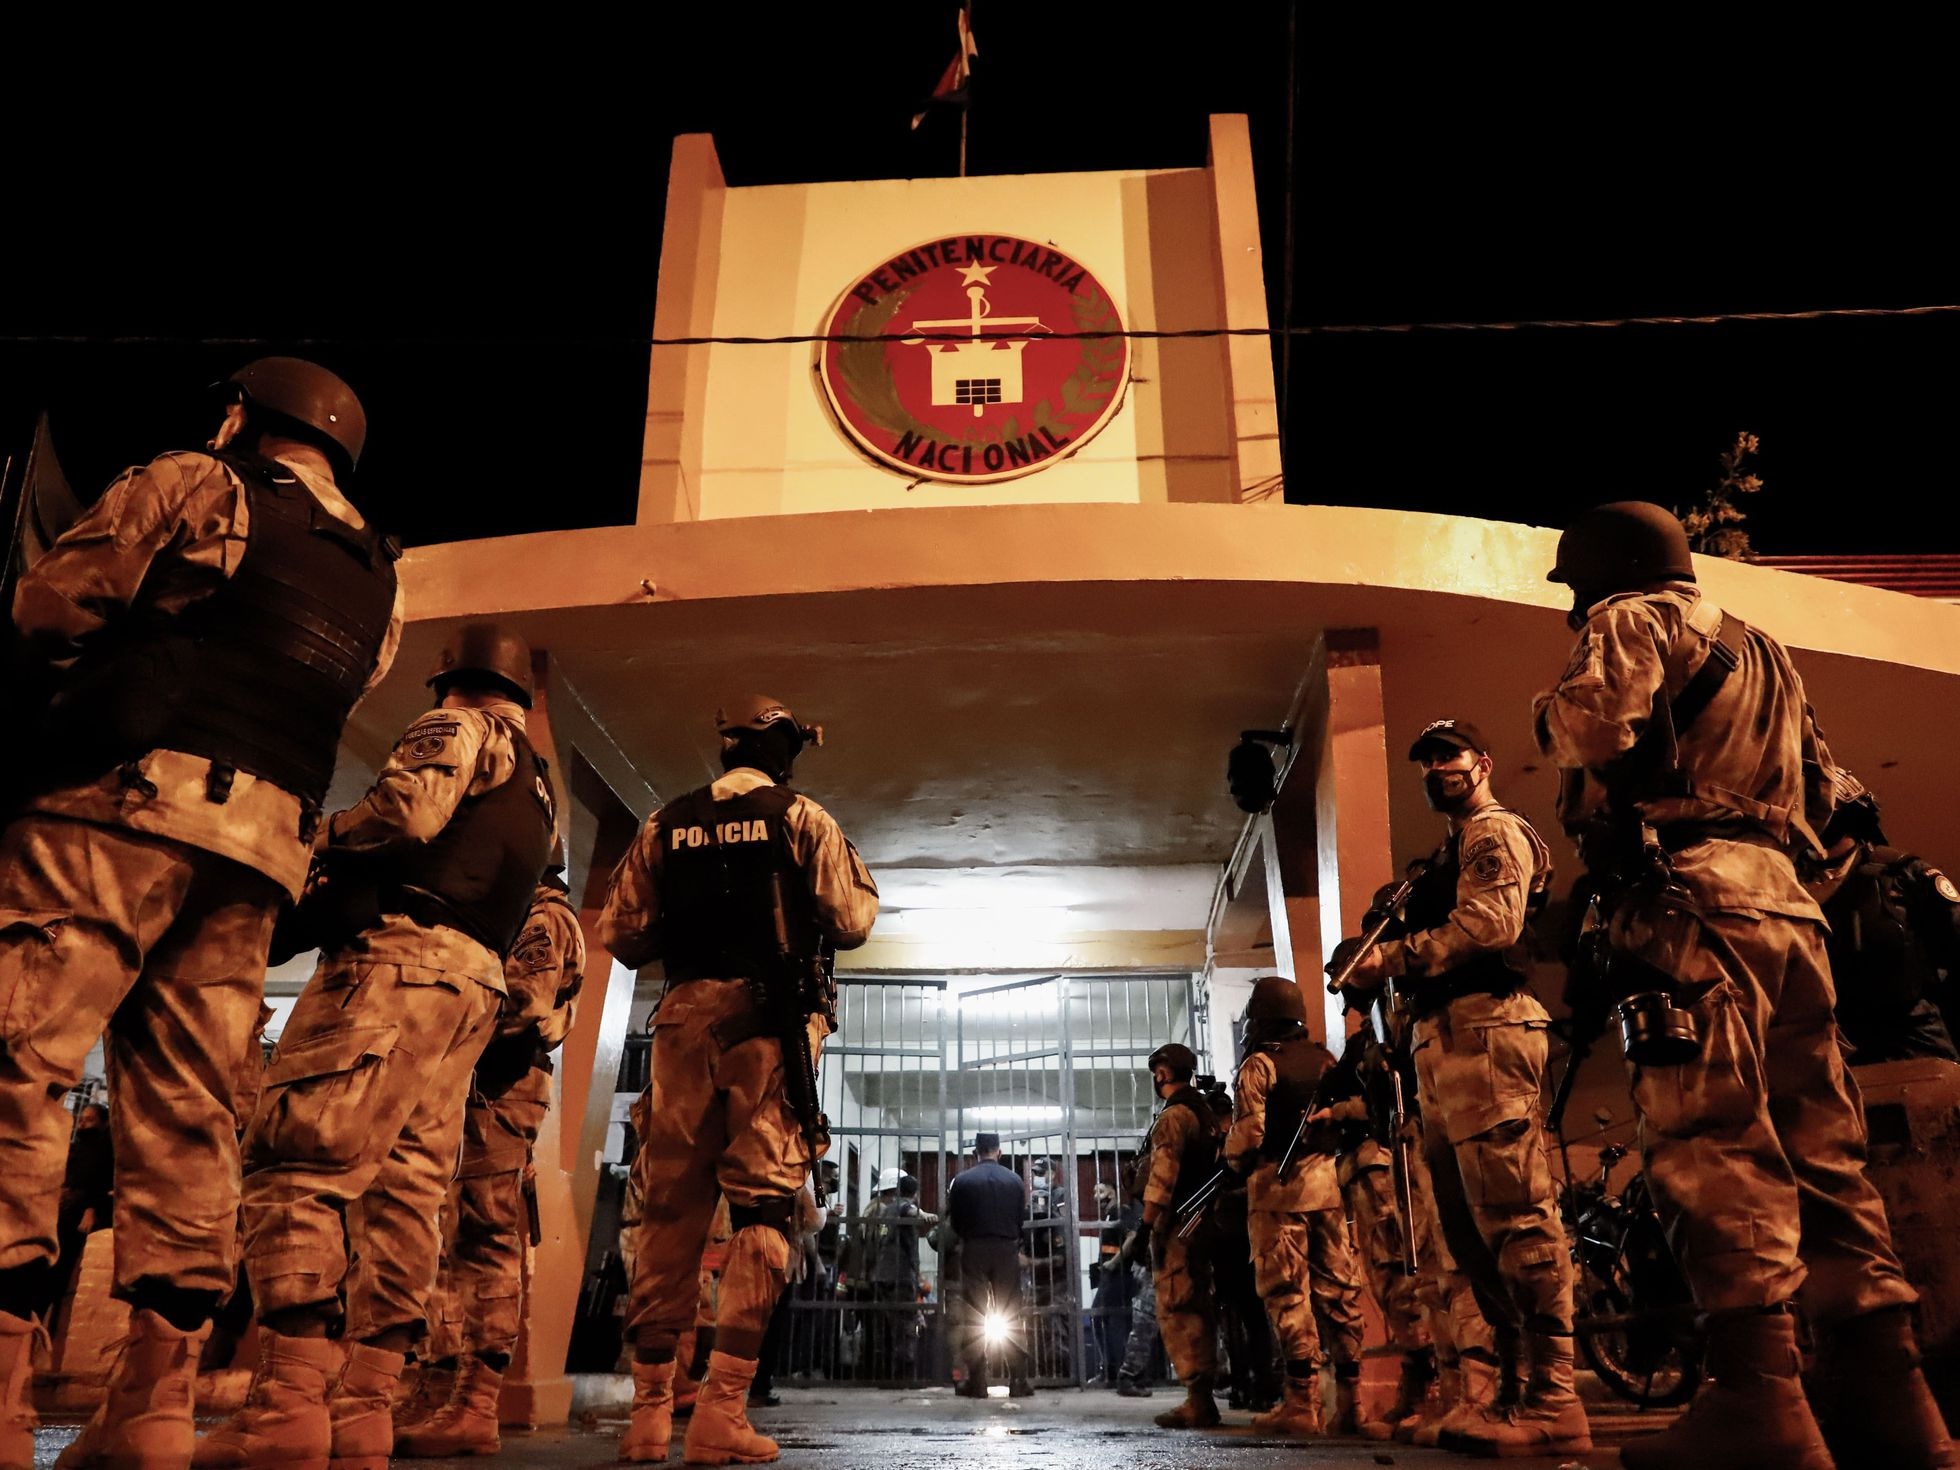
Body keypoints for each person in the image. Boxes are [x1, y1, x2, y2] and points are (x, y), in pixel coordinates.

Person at [0, 357, 400, 1470]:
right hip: (260, 850)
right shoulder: (379, 575)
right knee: (188, 1112)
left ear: (244, 414)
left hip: (116, 808)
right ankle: (154, 1405)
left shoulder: (197, 480)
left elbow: (49, 605)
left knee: (20, 1065)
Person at [1533, 501, 1953, 1470]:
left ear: (1606, 569)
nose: (1573, 606)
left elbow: (1590, 729)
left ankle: (1758, 1399)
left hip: (1691, 903)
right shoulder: (1765, 651)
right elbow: (1829, 795)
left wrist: (1545, 712)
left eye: (1575, 584)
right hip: (1787, 909)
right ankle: (1890, 1396)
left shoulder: (1631, 619)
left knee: (1714, 1141)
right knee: (1823, 1150)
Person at [196, 622, 556, 1470]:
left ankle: (286, 1407)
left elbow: (407, 812)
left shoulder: (460, 726)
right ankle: (364, 1410)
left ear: (449, 680)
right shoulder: (543, 785)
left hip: (397, 962)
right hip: (471, 985)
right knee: (407, 1194)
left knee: (297, 1165)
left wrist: (316, 839)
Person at [602, 695, 877, 1465]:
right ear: (784, 752)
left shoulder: (666, 822)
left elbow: (621, 931)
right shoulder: (802, 817)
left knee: (668, 1214)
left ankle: (648, 1419)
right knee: (762, 1211)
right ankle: (721, 1413)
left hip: (682, 1019)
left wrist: (693, 932)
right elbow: (852, 920)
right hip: (767, 1027)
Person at [1328, 717, 1588, 1458]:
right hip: (1444, 1040)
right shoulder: (1447, 852)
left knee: (1518, 1218)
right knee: (1470, 1236)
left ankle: (1555, 1396)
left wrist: (1393, 958)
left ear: (1483, 762)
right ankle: (1509, 1393)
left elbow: (1492, 925)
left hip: (1488, 1031)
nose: (1436, 769)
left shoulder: (1492, 832)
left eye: (1449, 755)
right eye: (1426, 760)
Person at [394, 866, 587, 1456]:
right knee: (442, 1237)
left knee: (484, 1234)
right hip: (465, 1081)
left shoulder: (542, 916)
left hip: (501, 1085)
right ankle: (435, 1384)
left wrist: (438, 1022)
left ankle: (475, 1403)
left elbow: (524, 1002)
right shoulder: (502, 910)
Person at [1221, 978, 1365, 1437]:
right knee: (1339, 1291)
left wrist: (1231, 1161)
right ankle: (1352, 1403)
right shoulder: (1325, 1059)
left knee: (1288, 1293)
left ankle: (1302, 1402)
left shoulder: (1260, 1064)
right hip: (1328, 1186)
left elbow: (1248, 1137)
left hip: (1278, 1191)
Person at [1315, 1023, 1435, 1437]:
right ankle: (1418, 1380)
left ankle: (1428, 1387)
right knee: (1385, 1282)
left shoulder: (1386, 1041)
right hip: (1365, 1166)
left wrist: (1338, 1112)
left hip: (1376, 1167)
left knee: (1399, 1278)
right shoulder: (1360, 1049)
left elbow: (1378, 1102)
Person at [1800, 771, 1959, 1066]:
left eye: (1818, 806)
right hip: (1830, 1053)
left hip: (1914, 1047)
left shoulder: (1903, 876)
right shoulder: (1788, 888)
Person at [1132, 1042, 1224, 1431]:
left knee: (1179, 1308)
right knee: (1199, 1306)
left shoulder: (1174, 1117)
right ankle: (1202, 1396)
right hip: (1202, 1223)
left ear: (1163, 1073)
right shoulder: (1205, 1113)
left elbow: (1162, 1177)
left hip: (1177, 1226)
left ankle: (1198, 1400)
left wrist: (1144, 1227)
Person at [945, 1133, 1032, 1398]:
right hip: (1006, 1249)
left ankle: (977, 1382)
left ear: (975, 1153)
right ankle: (1018, 1381)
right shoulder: (1015, 1180)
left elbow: (956, 1221)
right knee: (1011, 1313)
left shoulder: (962, 1181)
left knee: (974, 1315)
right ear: (999, 1152)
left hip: (974, 1248)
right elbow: (1020, 1219)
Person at [870, 1172, 933, 1381]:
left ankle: (891, 1375)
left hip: (883, 1275)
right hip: (900, 1276)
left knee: (893, 1327)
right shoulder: (903, 1207)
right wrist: (924, 1215)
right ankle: (904, 1377)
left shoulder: (886, 1209)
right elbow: (909, 1210)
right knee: (907, 1327)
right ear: (915, 1193)